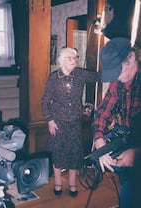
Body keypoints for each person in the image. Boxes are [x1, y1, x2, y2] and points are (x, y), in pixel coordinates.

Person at [41, 47, 100, 197]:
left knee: (75, 153)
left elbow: (98, 76)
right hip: (58, 122)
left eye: (75, 57)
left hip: (75, 121)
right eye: (69, 57)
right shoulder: (54, 78)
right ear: (61, 61)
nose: (74, 60)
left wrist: (119, 68)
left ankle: (73, 183)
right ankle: (58, 183)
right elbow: (45, 101)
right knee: (58, 152)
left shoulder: (80, 74)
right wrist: (49, 120)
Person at [92, 37, 141, 208]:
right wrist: (99, 140)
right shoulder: (117, 83)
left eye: (118, 71)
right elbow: (102, 112)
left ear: (132, 58)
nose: (117, 78)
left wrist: (137, 154)